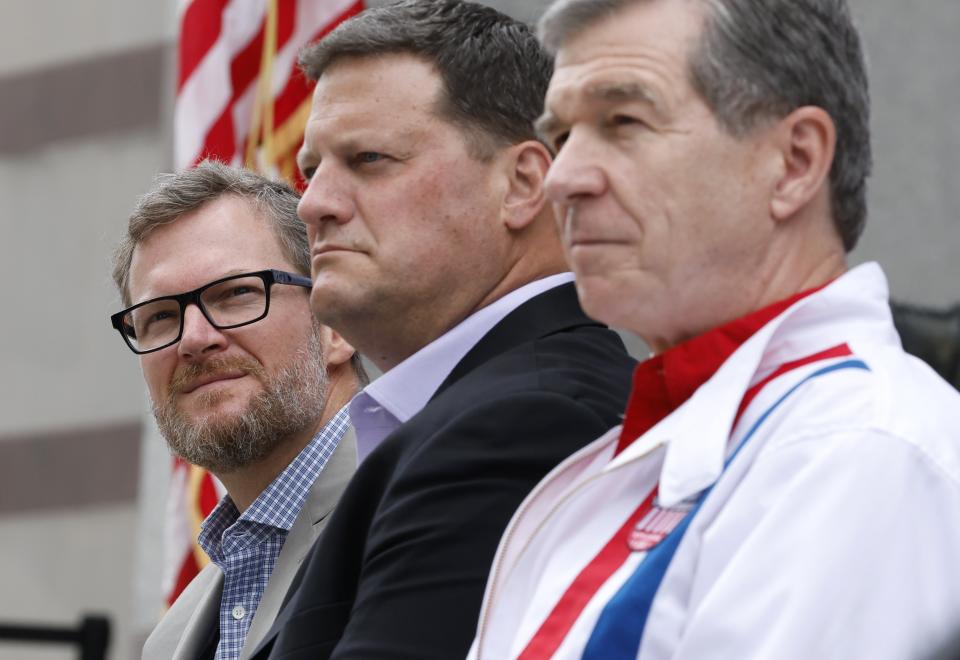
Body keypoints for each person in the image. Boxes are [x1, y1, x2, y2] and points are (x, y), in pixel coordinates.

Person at [468, 0, 960, 659]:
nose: (563, 179)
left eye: (624, 121)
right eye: (561, 135)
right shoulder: (651, 447)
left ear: (794, 162)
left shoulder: (854, 454)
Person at [249, 1, 636, 658]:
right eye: (312, 170)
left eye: (368, 159)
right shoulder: (481, 409)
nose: (312, 204)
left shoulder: (527, 421)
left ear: (523, 184)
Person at [109, 161, 365, 660]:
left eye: (237, 294)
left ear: (337, 324)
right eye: (160, 316)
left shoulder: (422, 514)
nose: (195, 339)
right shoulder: (169, 641)